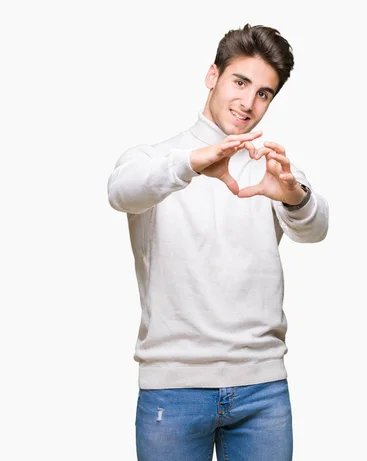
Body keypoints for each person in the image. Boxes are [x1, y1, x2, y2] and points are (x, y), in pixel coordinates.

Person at [107, 23, 329, 461]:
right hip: (173, 390)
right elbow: (121, 192)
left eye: (264, 93)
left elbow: (315, 227)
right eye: (240, 81)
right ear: (213, 75)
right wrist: (191, 164)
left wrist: (293, 195)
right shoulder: (156, 160)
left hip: (261, 391)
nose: (248, 103)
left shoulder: (269, 169)